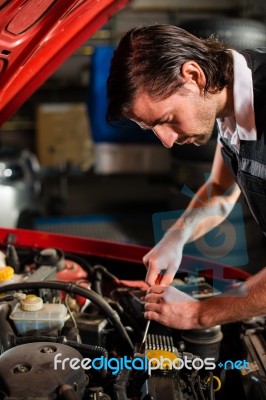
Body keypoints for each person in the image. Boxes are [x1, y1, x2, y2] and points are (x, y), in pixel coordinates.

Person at [106, 24, 266, 329]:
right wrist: (175, 238)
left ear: (194, 76)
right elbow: (219, 191)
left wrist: (199, 313)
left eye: (166, 119)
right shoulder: (230, 93)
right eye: (153, 129)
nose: (166, 141)